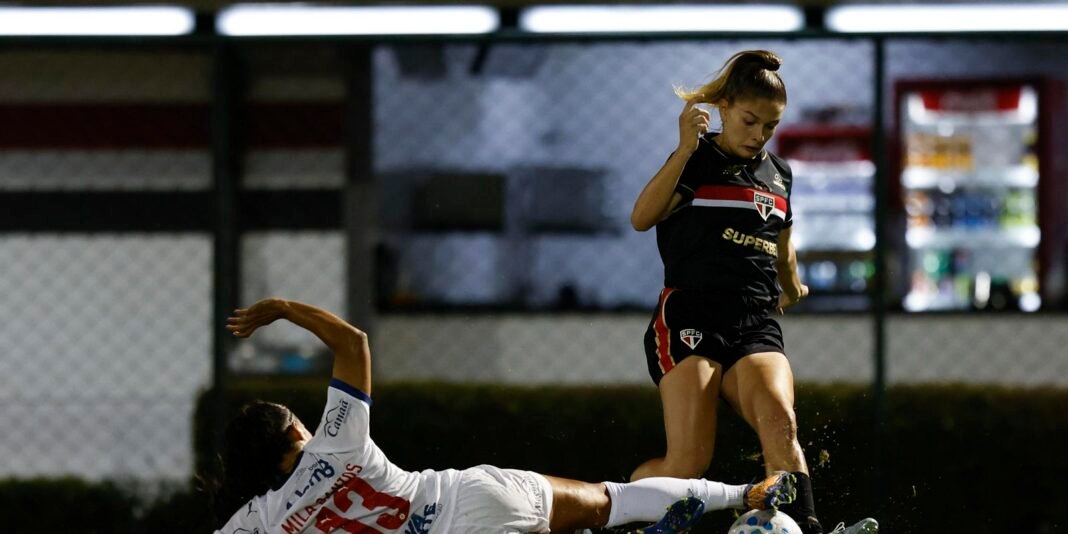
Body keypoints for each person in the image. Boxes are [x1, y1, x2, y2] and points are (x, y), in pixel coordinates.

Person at [212, 297, 798, 534]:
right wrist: (282, 309)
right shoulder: (332, 446)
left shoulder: (260, 520)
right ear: (295, 431)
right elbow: (353, 344)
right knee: (611, 499)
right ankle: (744, 493)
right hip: (470, 499)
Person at [629, 50, 877, 534]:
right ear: (723, 107)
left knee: (780, 418)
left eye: (770, 125)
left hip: (755, 322)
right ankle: (621, 512)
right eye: (749, 121)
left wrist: (792, 285)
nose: (758, 135)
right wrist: (683, 149)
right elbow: (641, 218)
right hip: (691, 317)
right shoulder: (696, 161)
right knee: (687, 462)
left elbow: (782, 246)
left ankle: (806, 527)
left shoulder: (779, 174)